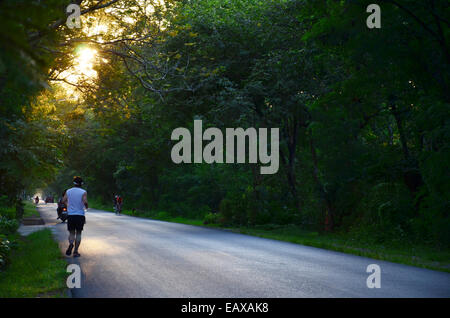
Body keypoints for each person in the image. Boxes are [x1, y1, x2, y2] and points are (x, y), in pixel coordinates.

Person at [62, 176, 88, 258]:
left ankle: (70, 244)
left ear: (73, 183)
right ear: (81, 184)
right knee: (79, 233)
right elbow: (85, 201)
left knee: (71, 233)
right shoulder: (83, 192)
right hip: (80, 215)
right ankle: (76, 251)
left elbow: (63, 200)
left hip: (71, 215)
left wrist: (68, 206)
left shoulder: (68, 191)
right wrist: (86, 206)